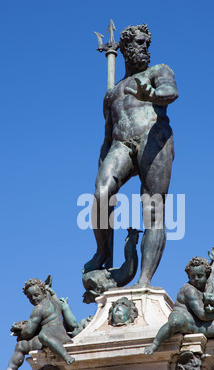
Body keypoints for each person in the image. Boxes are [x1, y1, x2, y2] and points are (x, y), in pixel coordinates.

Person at [83, 23, 179, 287]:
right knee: (101, 194)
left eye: (147, 43)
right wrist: (102, 162)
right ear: (125, 48)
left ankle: (144, 280)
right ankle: (102, 251)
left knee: (153, 209)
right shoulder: (111, 93)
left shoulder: (158, 71)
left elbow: (171, 92)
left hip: (154, 136)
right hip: (121, 144)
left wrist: (153, 93)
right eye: (138, 43)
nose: (144, 48)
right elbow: (106, 137)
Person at [144, 257, 214, 362]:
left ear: (206, 276)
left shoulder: (208, 286)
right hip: (184, 319)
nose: (196, 279)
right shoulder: (189, 290)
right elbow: (202, 315)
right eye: (192, 276)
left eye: (200, 276)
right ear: (188, 276)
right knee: (175, 322)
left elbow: (212, 275)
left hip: (196, 324)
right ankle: (155, 344)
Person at [0, 278, 75, 370]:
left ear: (43, 293)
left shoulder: (38, 309)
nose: (33, 299)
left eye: (36, 295)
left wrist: (19, 332)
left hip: (52, 335)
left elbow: (29, 332)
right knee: (24, 344)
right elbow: (54, 295)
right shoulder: (55, 302)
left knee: (25, 343)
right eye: (30, 297)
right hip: (61, 334)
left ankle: (66, 357)